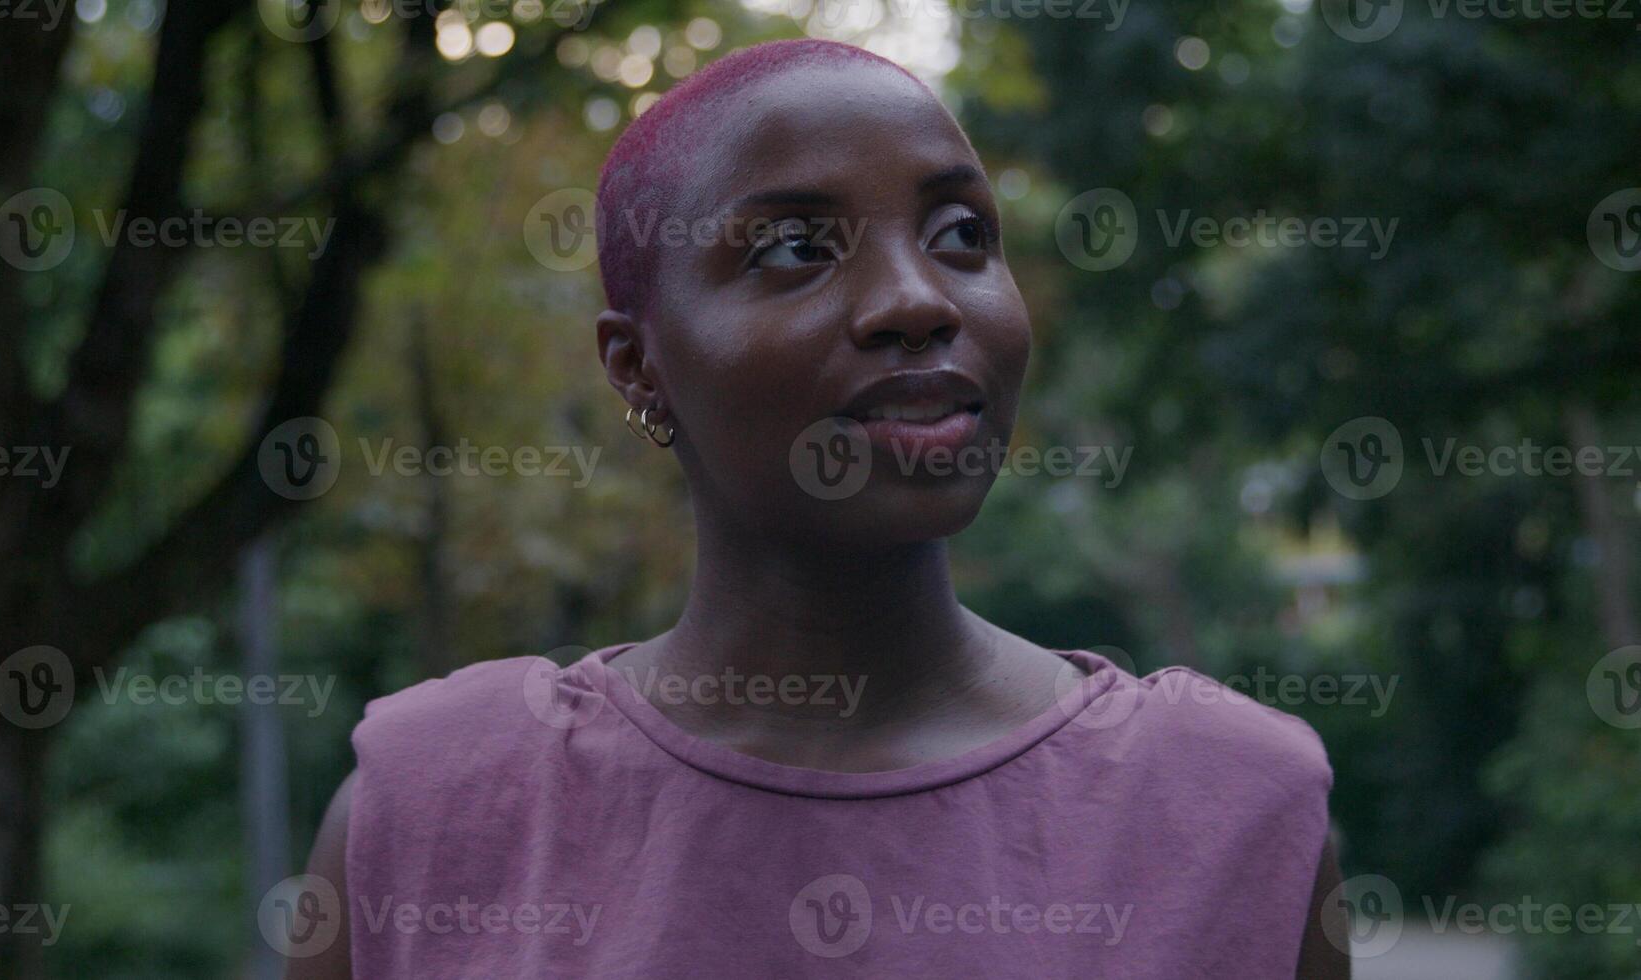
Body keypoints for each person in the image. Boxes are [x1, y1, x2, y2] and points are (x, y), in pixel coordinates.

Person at [285, 37, 1347, 978]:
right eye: (793, 249)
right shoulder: (435, 815)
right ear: (637, 364)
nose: (917, 299)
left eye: (960, 234)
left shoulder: (1228, 809)